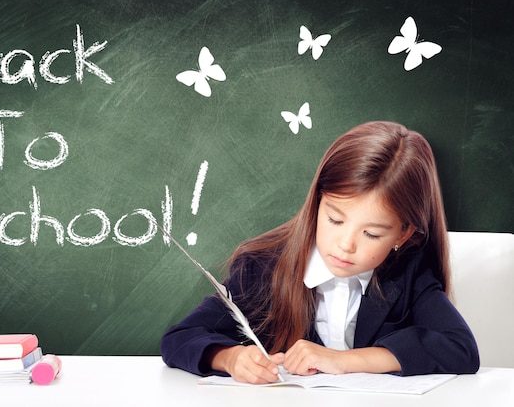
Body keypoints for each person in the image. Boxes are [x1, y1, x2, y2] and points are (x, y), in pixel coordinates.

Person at [160, 121, 480, 384]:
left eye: (371, 233)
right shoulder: (262, 268)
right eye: (335, 219)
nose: (346, 244)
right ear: (316, 205)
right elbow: (180, 337)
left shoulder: (408, 274)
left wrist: (344, 361)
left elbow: (461, 348)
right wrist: (231, 358)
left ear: (403, 234)